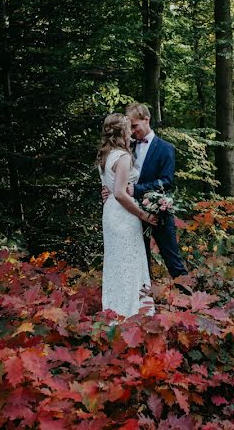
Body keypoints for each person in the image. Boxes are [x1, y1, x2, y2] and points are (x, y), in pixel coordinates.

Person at [96, 113, 156, 317]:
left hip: (110, 212)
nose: (131, 132)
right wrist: (143, 214)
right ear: (122, 132)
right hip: (123, 214)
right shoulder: (122, 157)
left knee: (117, 261)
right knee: (129, 260)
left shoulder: (104, 155)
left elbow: (110, 187)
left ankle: (115, 308)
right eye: (129, 129)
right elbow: (121, 193)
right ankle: (132, 311)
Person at [124, 102, 189, 280]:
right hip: (131, 210)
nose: (132, 131)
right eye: (129, 127)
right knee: (139, 258)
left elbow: (167, 181)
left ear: (147, 119)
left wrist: (137, 189)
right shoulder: (127, 147)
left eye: (135, 126)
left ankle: (188, 298)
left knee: (171, 256)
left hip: (158, 209)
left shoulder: (165, 148)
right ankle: (145, 298)